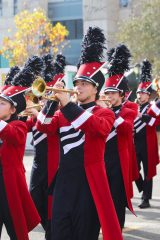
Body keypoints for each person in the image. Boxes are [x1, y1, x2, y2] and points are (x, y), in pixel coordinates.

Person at [36, 27, 123, 240]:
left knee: (84, 234)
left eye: (84, 84)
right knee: (58, 233)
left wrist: (67, 106)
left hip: (89, 185)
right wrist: (51, 102)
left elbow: (97, 128)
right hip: (64, 183)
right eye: (77, 83)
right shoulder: (64, 112)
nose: (79, 87)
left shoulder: (105, 113)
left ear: (95, 89)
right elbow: (43, 126)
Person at [25, 53, 66, 240]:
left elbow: (46, 124)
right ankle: (50, 228)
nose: (45, 97)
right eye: (45, 93)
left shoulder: (61, 113)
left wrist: (45, 105)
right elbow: (26, 127)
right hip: (38, 164)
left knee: (51, 205)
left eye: (49, 93)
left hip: (54, 163)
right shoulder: (38, 111)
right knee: (34, 201)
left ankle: (52, 232)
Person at [0, 76, 41, 240]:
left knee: (16, 230)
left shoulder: (19, 126)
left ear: (13, 110)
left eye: (2, 103)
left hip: (10, 185)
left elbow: (11, 135)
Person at [102, 44, 136, 229]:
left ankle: (117, 228)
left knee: (116, 198)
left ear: (122, 94)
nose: (109, 96)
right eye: (107, 93)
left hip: (118, 160)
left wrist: (110, 113)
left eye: (113, 93)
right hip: (101, 158)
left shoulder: (130, 108)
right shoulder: (101, 108)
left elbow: (126, 128)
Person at [134, 59, 160, 208]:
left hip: (148, 142)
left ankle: (145, 199)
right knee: (135, 170)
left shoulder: (153, 107)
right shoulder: (133, 106)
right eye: (138, 93)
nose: (140, 96)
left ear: (148, 95)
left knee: (148, 171)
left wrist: (142, 116)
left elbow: (155, 123)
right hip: (135, 142)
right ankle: (144, 189)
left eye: (143, 93)